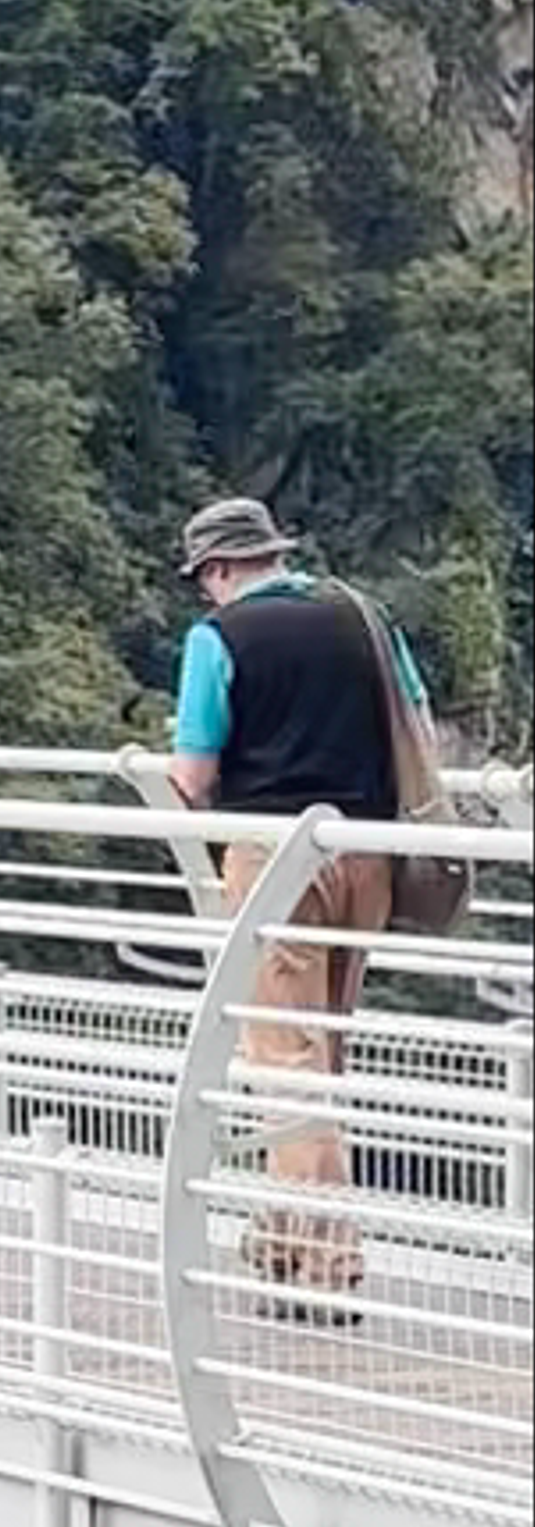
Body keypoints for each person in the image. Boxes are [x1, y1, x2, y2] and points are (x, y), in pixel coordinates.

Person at [166, 488, 437, 1309]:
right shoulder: (363, 616)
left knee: (283, 1059)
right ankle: (283, 1238)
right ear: (277, 554)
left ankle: (329, 1262)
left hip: (270, 854)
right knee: (322, 1053)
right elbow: (418, 725)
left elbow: (194, 776)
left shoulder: (218, 637)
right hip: (366, 853)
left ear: (216, 569)